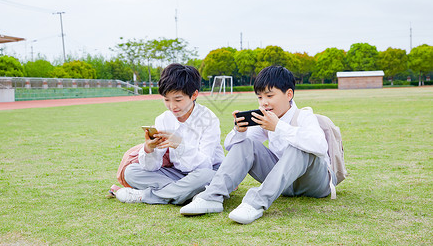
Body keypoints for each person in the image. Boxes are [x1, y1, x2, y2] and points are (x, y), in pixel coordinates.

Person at [180, 65, 336, 224]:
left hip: (315, 183)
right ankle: (212, 197)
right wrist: (240, 131)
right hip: (285, 186)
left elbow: (320, 146)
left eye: (269, 95)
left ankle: (255, 203)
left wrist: (279, 127)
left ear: (289, 94)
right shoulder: (266, 119)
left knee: (299, 146)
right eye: (260, 97)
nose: (264, 102)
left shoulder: (304, 116)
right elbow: (233, 146)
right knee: (246, 143)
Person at [115, 63, 224, 205]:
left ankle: (148, 196)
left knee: (207, 176)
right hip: (176, 175)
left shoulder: (208, 119)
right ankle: (188, 194)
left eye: (178, 100)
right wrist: (149, 149)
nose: (172, 106)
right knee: (131, 172)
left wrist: (180, 145)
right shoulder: (163, 119)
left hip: (204, 172)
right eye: (166, 100)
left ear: (194, 95)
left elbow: (205, 165)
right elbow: (152, 167)